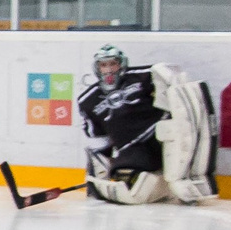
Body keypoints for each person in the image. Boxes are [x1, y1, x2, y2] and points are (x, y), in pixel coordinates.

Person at [76, 44, 216, 205]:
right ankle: (162, 184)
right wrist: (99, 175)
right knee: (132, 183)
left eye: (113, 63)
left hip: (158, 137)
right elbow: (99, 141)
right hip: (132, 149)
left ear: (121, 64)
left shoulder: (141, 75)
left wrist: (166, 76)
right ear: (97, 68)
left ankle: (187, 185)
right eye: (103, 65)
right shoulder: (87, 100)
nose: (109, 69)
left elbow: (172, 78)